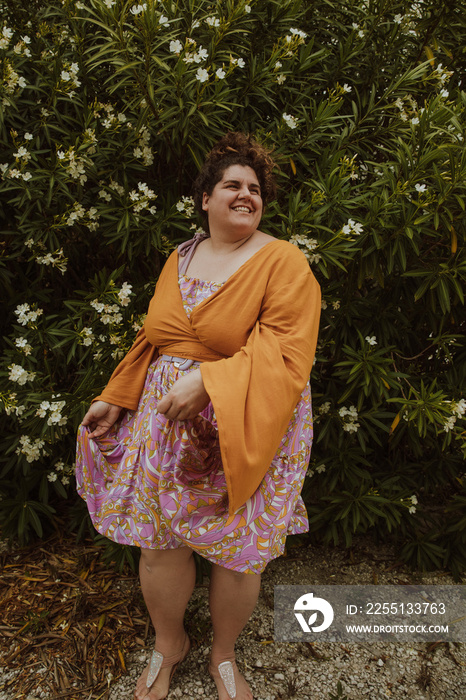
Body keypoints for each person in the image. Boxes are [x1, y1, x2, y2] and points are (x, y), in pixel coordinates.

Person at [75, 131, 321, 700]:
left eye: (254, 188)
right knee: (161, 543)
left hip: (243, 424)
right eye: (232, 185)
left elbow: (288, 349)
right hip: (167, 424)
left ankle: (225, 656)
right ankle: (169, 646)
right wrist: (117, 395)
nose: (245, 195)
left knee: (237, 549)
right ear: (204, 199)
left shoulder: (283, 261)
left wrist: (210, 381)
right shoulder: (179, 257)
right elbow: (153, 338)